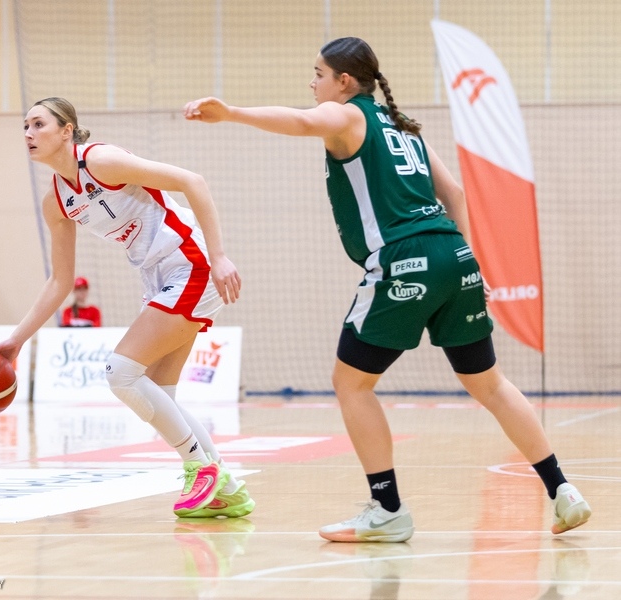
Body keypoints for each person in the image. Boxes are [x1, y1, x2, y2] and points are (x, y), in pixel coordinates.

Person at [183, 37, 590, 541]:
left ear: (345, 81)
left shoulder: (349, 115)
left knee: (351, 383)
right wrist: (469, 260)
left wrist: (231, 113)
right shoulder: (404, 127)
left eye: (318, 74)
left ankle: (388, 508)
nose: (312, 83)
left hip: (404, 260)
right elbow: (454, 193)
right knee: (490, 384)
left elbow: (303, 122)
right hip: (455, 254)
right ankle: (562, 489)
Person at [0, 97, 254, 519]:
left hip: (191, 263)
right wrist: (16, 341)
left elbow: (193, 181)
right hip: (157, 276)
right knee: (161, 391)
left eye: (38, 124)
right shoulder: (56, 202)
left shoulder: (102, 161)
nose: (28, 134)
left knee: (120, 372)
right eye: (25, 126)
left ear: (66, 130)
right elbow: (60, 282)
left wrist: (219, 256)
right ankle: (228, 489)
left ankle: (200, 468)